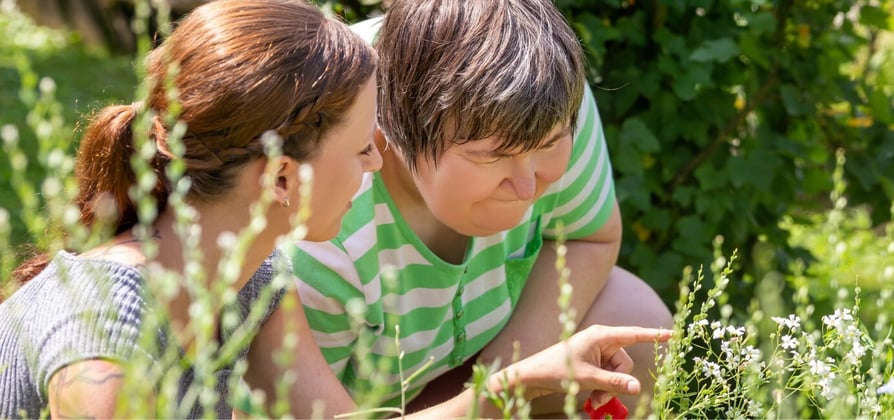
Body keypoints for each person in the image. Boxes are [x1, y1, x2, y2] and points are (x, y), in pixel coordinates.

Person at [0, 0, 669, 417]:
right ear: (281, 178)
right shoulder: (107, 333)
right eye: (361, 149)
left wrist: (515, 385)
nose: (378, 165)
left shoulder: (252, 281)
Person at [291, 0, 674, 413]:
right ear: (396, 129)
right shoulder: (319, 221)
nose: (526, 187)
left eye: (549, 144)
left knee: (635, 320)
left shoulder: (544, 88)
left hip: (481, 355)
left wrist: (507, 374)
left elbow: (589, 237)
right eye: (493, 155)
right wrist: (503, 395)